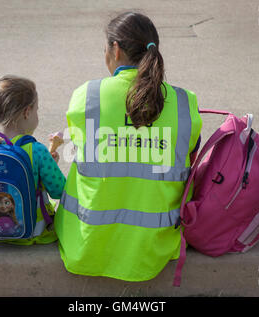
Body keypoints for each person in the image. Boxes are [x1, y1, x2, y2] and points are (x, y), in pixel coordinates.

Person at [54, 12, 202, 281]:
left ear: (115, 49)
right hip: (156, 248)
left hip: (86, 246)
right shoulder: (185, 102)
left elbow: (79, 147)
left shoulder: (87, 95)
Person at [0, 74, 66, 244]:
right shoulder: (37, 151)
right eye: (36, 110)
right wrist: (50, 168)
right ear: (27, 112)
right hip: (32, 231)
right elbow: (59, 191)